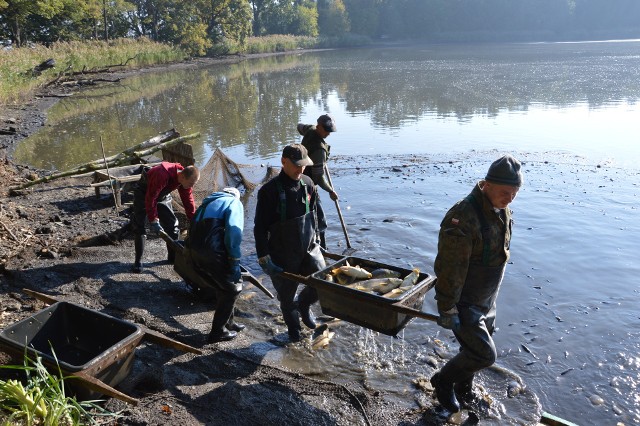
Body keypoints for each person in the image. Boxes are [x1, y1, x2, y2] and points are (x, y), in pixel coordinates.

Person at [430, 155, 523, 413]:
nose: (510, 198)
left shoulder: (502, 209)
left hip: (486, 299)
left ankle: (464, 388)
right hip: (464, 300)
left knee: (471, 350)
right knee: (484, 355)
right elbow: (450, 267)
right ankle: (443, 382)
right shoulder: (463, 216)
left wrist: (490, 302)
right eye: (506, 192)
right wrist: (447, 307)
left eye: (515, 193)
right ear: (488, 185)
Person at [254, 144, 326, 342]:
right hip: (282, 252)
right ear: (283, 162)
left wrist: (319, 239)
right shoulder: (269, 191)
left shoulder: (309, 183)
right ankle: (294, 331)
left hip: (308, 247)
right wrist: (263, 257)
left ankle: (303, 304)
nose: (300, 170)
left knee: (323, 282)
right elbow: (260, 228)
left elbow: (315, 215)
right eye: (296, 165)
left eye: (304, 166)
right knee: (286, 297)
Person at [185, 187, 245, 343]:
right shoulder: (233, 202)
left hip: (193, 253)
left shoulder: (205, 204)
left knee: (222, 286)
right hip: (212, 254)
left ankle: (229, 323)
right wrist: (234, 260)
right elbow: (234, 232)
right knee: (233, 289)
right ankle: (218, 332)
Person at [131, 162, 200, 273]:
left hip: (162, 195)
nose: (192, 186)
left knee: (173, 226)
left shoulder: (183, 177)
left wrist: (193, 218)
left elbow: (187, 198)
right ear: (182, 176)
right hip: (144, 193)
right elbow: (151, 198)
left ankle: (173, 258)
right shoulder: (162, 174)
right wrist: (154, 219)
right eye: (191, 183)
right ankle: (138, 261)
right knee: (140, 226)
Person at [296, 114, 338, 250]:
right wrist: (331, 190)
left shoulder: (310, 129)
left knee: (303, 213)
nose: (327, 134)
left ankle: (309, 243)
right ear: (319, 126)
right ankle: (322, 248)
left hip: (297, 178)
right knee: (320, 219)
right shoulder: (319, 149)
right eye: (325, 130)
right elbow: (319, 177)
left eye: (329, 131)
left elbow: (299, 126)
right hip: (308, 185)